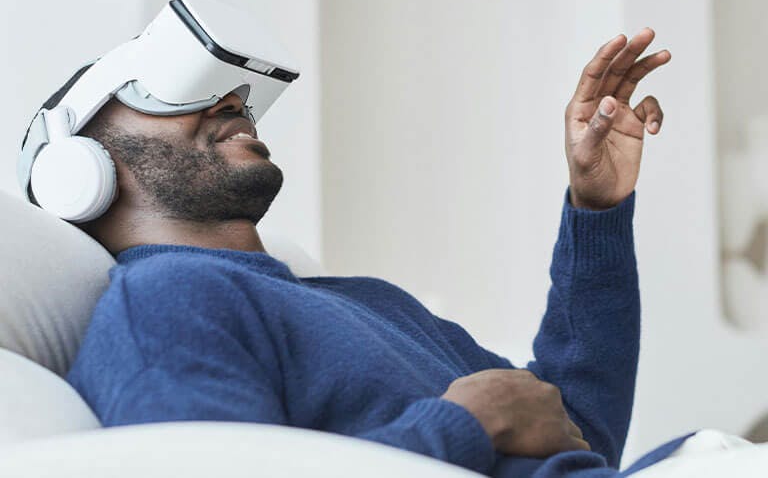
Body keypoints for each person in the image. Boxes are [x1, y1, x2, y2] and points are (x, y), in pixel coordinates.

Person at [26, 28, 693, 478]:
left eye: (233, 91)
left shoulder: (368, 300)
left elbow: (576, 432)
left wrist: (597, 209)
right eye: (165, 89)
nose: (231, 100)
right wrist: (468, 421)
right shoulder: (167, 303)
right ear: (76, 165)